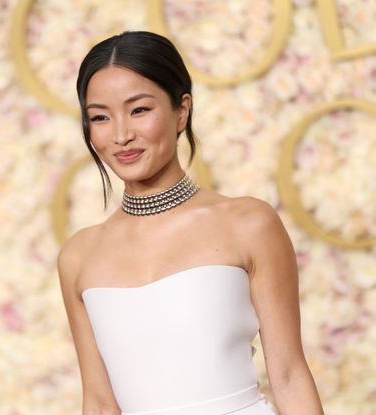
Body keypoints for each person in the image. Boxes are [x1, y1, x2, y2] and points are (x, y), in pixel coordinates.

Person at [57, 30, 324, 415]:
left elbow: (288, 375)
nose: (121, 135)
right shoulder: (78, 257)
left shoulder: (249, 223)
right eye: (100, 117)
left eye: (139, 110)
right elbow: (99, 403)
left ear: (181, 111)